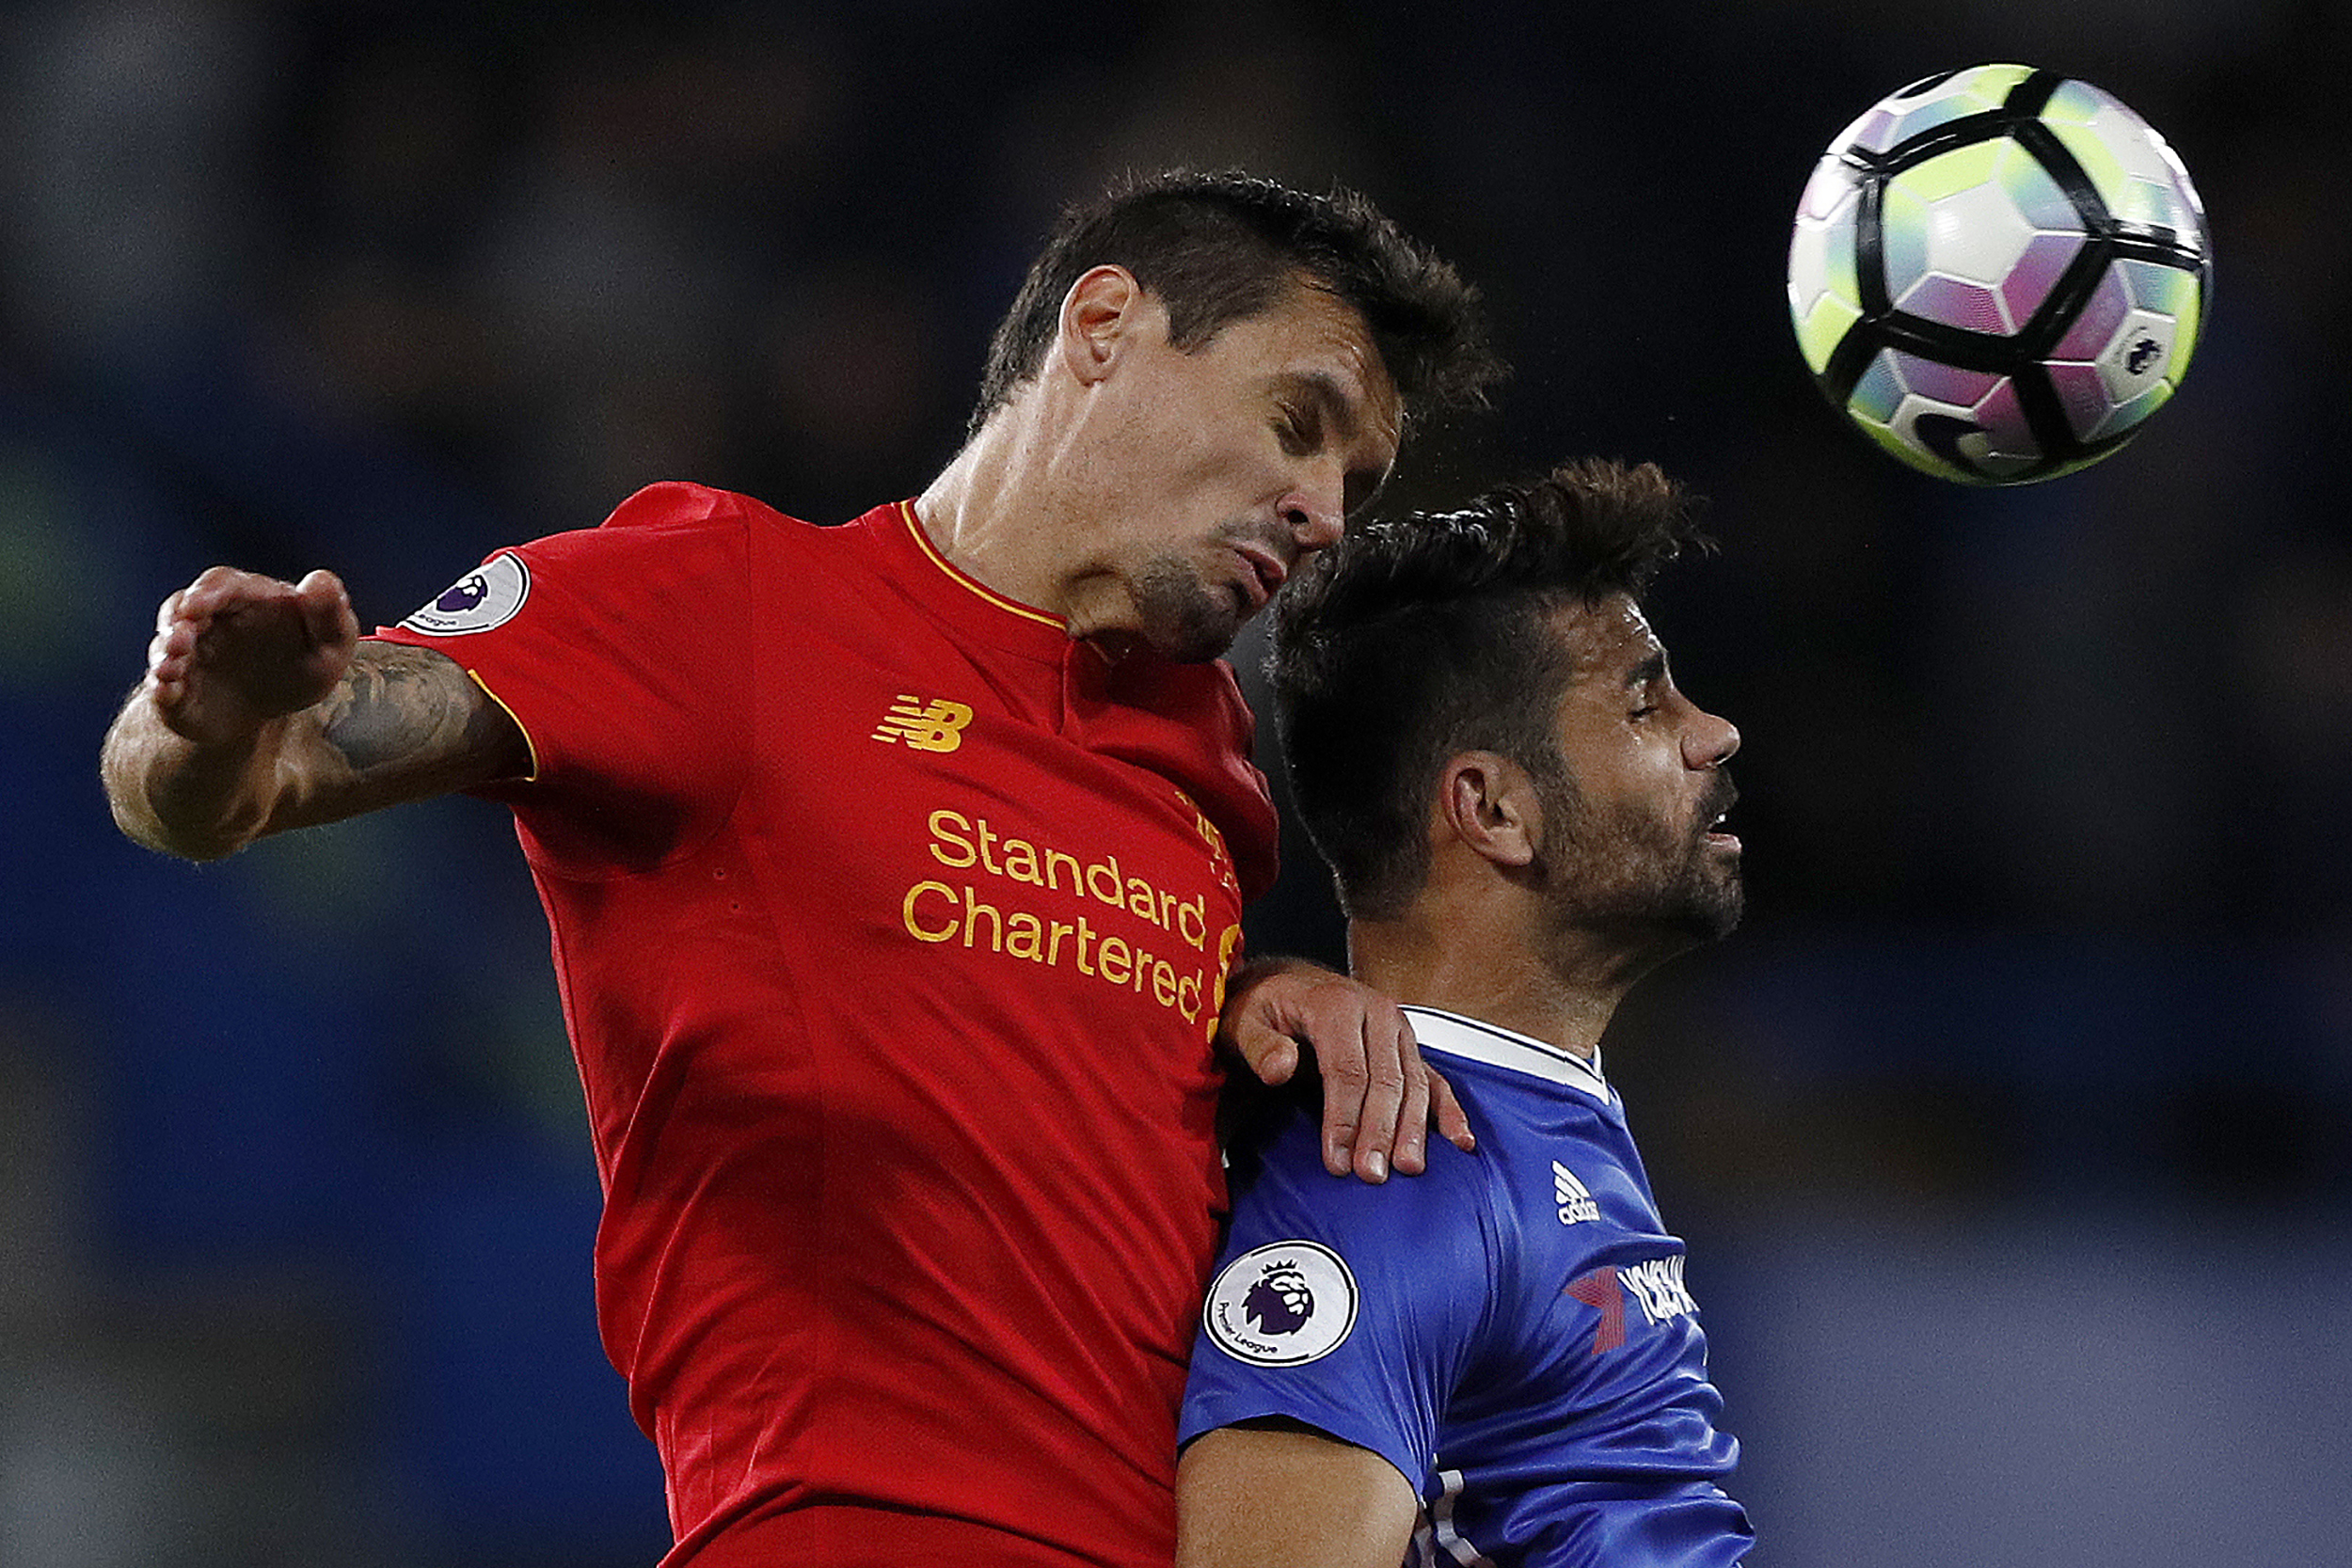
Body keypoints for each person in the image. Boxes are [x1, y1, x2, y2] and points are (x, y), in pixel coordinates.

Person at [100, 169, 1504, 1568]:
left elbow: (1044, 1064)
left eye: (1354, 481)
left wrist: (1263, 999)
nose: (1323, 509)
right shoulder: (729, 604)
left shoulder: (1206, 773)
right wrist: (206, 716)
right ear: (1103, 324)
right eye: (1294, 423)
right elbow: (230, 784)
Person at [1176, 458, 1757, 1566]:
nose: (1713, 730)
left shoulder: (1518, 1116)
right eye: (1644, 699)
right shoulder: (1394, 1171)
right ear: (1492, 808)